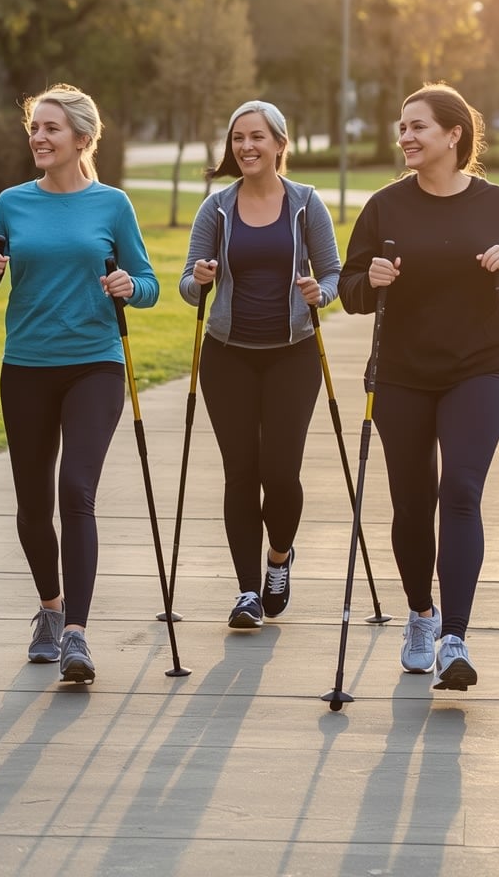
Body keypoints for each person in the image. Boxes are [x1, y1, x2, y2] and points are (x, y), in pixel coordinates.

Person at [339, 81, 499, 691]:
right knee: (412, 504)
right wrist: (371, 278)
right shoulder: (385, 207)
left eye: (417, 127)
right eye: (402, 128)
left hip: (478, 371)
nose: (405, 137)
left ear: (453, 135)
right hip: (402, 375)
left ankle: (454, 638)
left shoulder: (498, 204)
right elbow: (350, 290)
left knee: (460, 489)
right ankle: (420, 616)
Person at [0, 83, 158, 684]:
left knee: (76, 488)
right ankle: (49, 607)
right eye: (35, 128)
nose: (39, 138)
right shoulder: (11, 203)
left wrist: (130, 286)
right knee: (31, 503)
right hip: (26, 366)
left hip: (94, 364)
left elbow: (148, 283)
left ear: (82, 138)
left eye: (51, 128)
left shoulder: (113, 205)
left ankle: (76, 631)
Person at [179, 100, 341, 629]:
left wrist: (321, 292)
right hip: (227, 357)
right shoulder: (216, 207)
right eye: (238, 139)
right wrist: (199, 278)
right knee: (240, 473)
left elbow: (334, 274)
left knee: (281, 470)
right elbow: (186, 285)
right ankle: (248, 590)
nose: (245, 147)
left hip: (292, 356)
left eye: (257, 137)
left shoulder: (305, 203)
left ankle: (279, 559)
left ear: (279, 143)